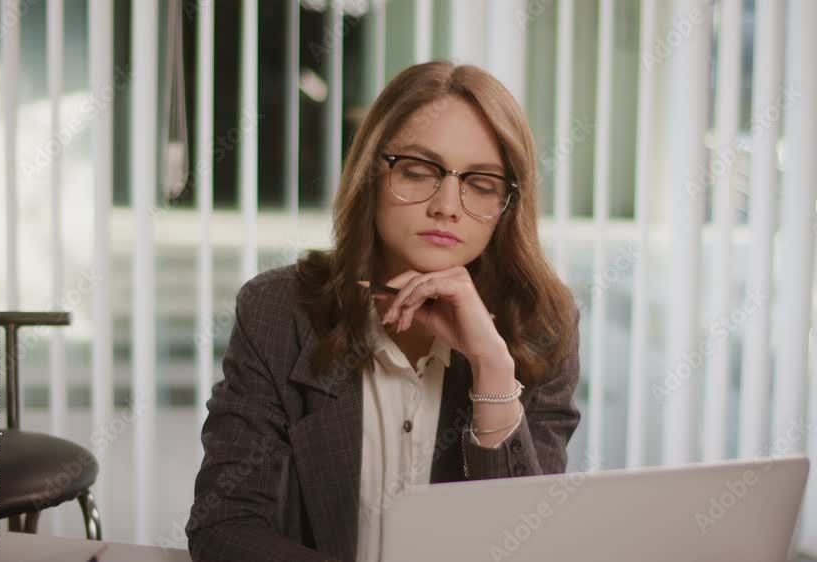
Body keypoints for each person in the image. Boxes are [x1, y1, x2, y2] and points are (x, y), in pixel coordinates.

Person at [186, 60, 581, 562]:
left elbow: (530, 548)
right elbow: (224, 527)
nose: (447, 206)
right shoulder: (278, 310)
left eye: (481, 184)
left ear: (507, 206)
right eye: (419, 172)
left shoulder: (542, 324)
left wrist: (493, 370)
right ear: (370, 175)